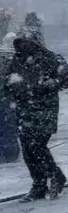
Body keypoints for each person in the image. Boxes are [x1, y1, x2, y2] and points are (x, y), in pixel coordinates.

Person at [3, 29, 68, 202]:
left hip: (44, 109)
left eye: (28, 41)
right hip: (24, 110)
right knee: (27, 149)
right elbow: (7, 80)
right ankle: (39, 184)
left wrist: (47, 85)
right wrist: (13, 87)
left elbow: (65, 78)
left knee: (37, 145)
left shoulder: (50, 58)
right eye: (21, 42)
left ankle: (55, 175)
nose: (24, 45)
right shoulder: (16, 60)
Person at [0, 32, 20, 163]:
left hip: (5, 98)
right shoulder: (17, 57)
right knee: (10, 126)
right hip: (9, 100)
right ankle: (10, 153)